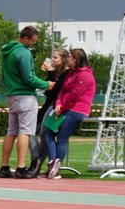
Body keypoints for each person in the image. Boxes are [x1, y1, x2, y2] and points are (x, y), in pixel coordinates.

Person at [0, 26, 48, 179]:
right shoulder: (23, 52)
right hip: (25, 96)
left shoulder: (8, 51)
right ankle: (21, 167)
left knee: (11, 132)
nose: (33, 44)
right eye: (32, 41)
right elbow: (29, 77)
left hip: (12, 95)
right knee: (24, 132)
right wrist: (46, 84)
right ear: (25, 38)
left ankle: (4, 167)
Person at [38, 49, 95, 179]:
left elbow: (76, 95)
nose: (67, 59)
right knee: (47, 132)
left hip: (77, 110)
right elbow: (62, 91)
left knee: (62, 137)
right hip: (64, 108)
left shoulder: (85, 75)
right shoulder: (71, 73)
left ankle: (54, 169)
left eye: (69, 57)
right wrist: (58, 104)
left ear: (76, 59)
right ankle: (53, 164)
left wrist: (62, 107)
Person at [27, 48, 71, 174]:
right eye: (52, 57)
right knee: (29, 131)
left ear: (63, 59)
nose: (52, 60)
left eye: (55, 57)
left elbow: (57, 91)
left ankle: (38, 163)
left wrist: (51, 73)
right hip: (47, 106)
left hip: (56, 108)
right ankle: (37, 160)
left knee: (45, 135)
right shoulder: (56, 73)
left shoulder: (66, 73)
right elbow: (49, 89)